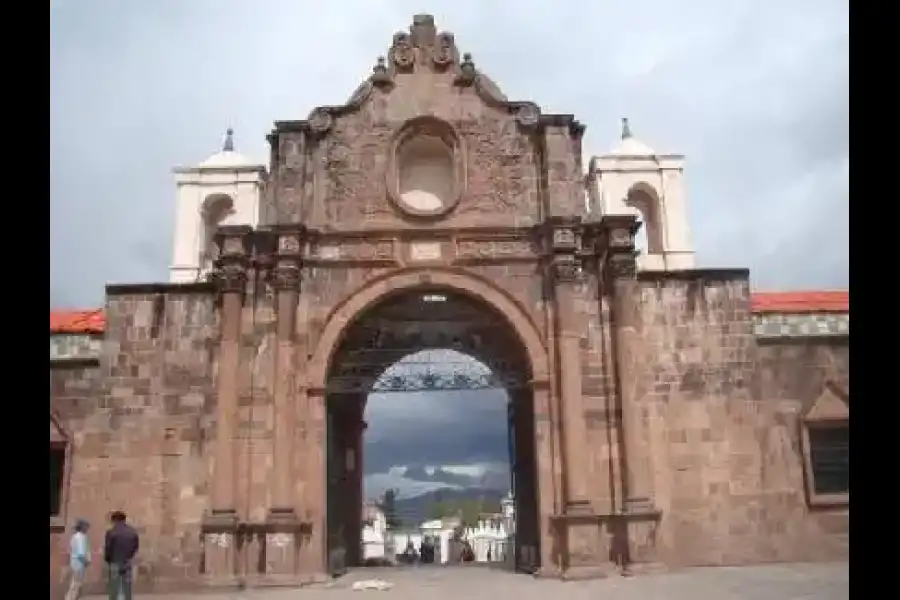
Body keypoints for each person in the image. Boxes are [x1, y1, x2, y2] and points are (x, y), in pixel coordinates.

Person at [104, 511, 139, 600]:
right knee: (127, 588)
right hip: (127, 562)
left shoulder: (111, 532)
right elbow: (135, 547)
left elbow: (108, 548)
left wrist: (108, 559)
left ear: (114, 520)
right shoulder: (133, 532)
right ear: (124, 520)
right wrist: (129, 557)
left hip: (115, 561)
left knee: (114, 588)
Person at [65, 518, 91, 600]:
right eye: (86, 526)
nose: (88, 528)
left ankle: (72, 598)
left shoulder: (79, 536)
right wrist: (86, 562)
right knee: (75, 585)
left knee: (77, 584)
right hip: (79, 564)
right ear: (82, 527)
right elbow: (80, 553)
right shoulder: (79, 537)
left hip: (78, 563)